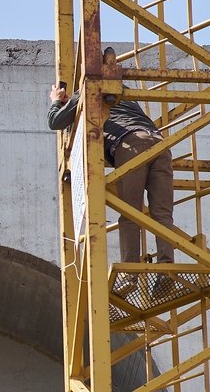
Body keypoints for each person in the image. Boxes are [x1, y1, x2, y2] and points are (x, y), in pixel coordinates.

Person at [46, 84, 175, 266]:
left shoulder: (88, 87)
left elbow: (55, 121)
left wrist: (56, 101)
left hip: (131, 145)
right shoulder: (123, 91)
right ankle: (167, 266)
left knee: (131, 212)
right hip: (160, 144)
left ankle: (130, 272)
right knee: (163, 214)